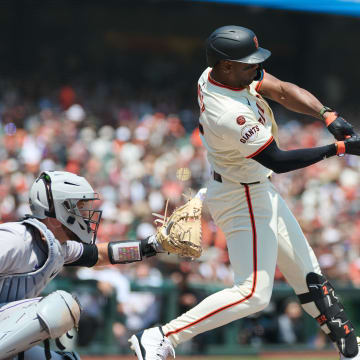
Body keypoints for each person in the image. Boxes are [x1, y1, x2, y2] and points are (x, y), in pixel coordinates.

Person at [129, 25, 360, 360]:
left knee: (308, 274)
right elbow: (278, 160)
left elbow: (279, 90)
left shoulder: (219, 74)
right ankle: (162, 336)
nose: (256, 67)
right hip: (243, 195)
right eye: (248, 62)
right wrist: (339, 148)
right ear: (226, 65)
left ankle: (350, 349)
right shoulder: (229, 111)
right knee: (253, 293)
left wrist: (326, 114)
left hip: (254, 188)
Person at [0, 170, 164, 360]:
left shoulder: (57, 246)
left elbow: (100, 254)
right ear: (56, 215)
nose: (86, 215)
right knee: (62, 305)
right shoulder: (16, 239)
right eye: (78, 207)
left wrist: (151, 246)